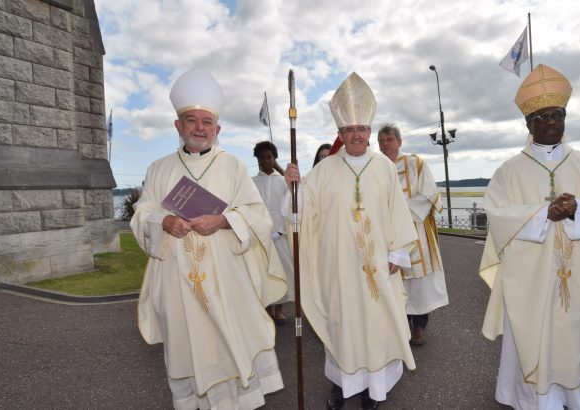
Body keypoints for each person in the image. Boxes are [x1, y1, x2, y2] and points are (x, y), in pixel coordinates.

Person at [131, 68, 287, 410]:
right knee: (187, 349)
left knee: (229, 350)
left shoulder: (232, 167)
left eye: (206, 121)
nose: (199, 128)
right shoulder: (158, 169)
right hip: (177, 284)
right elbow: (140, 216)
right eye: (191, 120)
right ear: (178, 126)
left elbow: (258, 215)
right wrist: (164, 220)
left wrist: (224, 220)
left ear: (217, 129)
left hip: (226, 281)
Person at [479, 64, 580, 409]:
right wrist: (541, 213)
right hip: (529, 284)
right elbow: (497, 214)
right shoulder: (509, 171)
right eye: (542, 117)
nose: (550, 123)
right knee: (533, 340)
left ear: (565, 118)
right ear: (528, 124)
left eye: (557, 115)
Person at [283, 73, 417, 410]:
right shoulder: (325, 170)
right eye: (348, 130)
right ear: (340, 134)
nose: (355, 134)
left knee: (378, 327)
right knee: (343, 328)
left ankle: (375, 390)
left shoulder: (384, 168)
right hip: (339, 269)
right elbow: (301, 216)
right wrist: (294, 189)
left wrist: (397, 252)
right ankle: (343, 386)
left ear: (369, 133)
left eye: (361, 128)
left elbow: (398, 212)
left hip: (378, 268)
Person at [377, 123, 449, 346]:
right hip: (387, 234)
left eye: (388, 139)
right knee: (394, 281)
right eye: (380, 141)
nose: (384, 144)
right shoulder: (375, 167)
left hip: (416, 231)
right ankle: (400, 326)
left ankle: (419, 326)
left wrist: (401, 211)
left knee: (419, 285)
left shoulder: (414, 163)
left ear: (399, 142)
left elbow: (429, 194)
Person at [252, 141, 295, 324]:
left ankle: (279, 309)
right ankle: (266, 309)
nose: (266, 161)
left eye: (269, 157)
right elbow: (251, 210)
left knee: (282, 272)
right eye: (262, 157)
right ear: (257, 160)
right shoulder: (252, 182)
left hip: (280, 235)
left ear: (274, 158)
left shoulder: (282, 182)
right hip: (260, 236)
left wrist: (281, 231)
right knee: (263, 273)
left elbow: (290, 208)